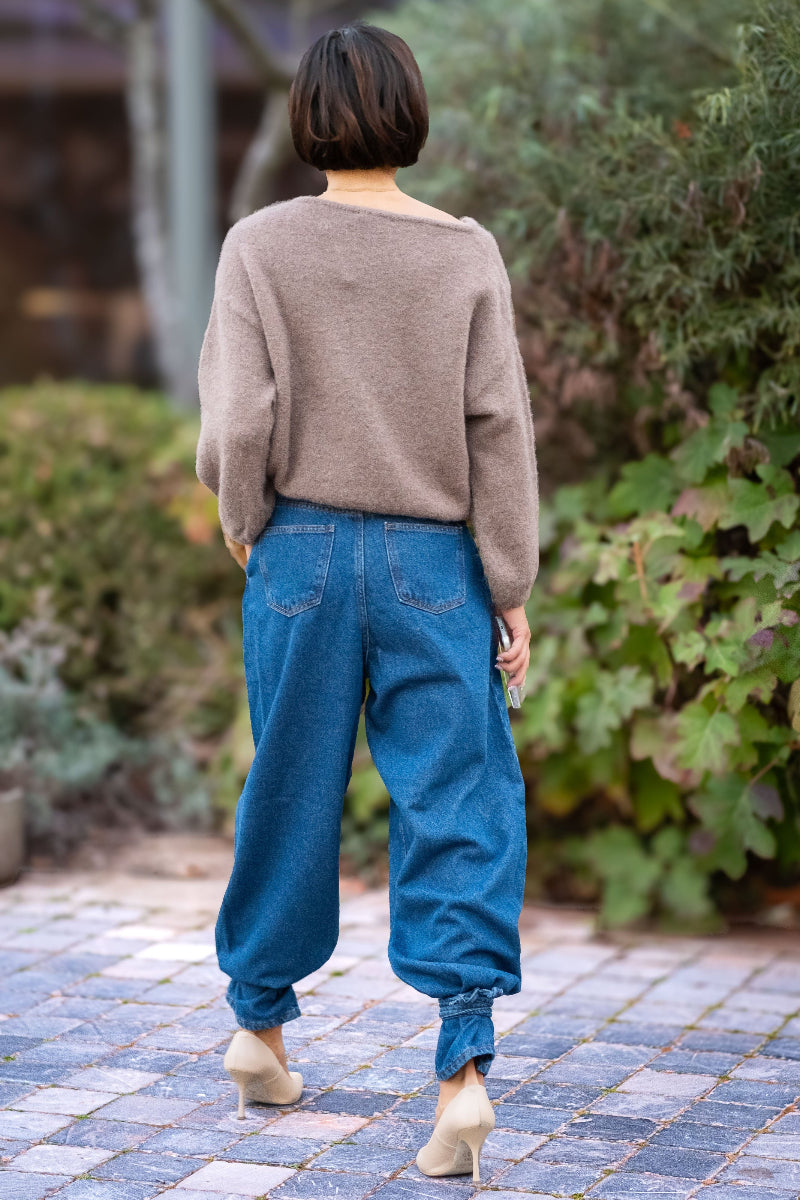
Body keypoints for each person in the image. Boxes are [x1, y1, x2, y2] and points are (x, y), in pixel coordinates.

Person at [196, 19, 539, 1183]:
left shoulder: (258, 244)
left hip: (296, 550)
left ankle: (258, 1027)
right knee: (456, 796)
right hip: (431, 562)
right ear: (409, 114)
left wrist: (247, 521)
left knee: (288, 781)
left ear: (307, 118)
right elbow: (497, 429)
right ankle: (460, 1078)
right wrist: (508, 584)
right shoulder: (464, 252)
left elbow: (238, 418)